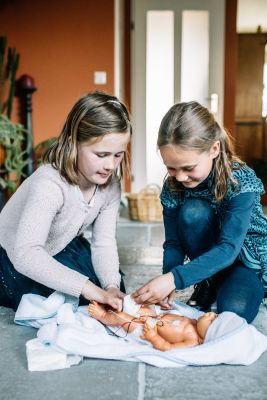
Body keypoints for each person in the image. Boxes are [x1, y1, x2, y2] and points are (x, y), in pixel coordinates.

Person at [132, 101, 267, 323]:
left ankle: (236, 284)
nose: (180, 177)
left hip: (244, 259)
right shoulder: (173, 186)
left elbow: (229, 248)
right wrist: (169, 278)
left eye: (188, 168)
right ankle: (208, 281)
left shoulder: (240, 181)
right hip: (209, 257)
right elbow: (174, 244)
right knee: (193, 210)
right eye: (171, 168)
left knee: (234, 312)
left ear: (214, 149)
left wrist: (175, 279)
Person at [0, 91, 132, 311]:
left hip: (61, 244)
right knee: (69, 300)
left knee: (113, 292)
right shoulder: (50, 183)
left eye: (117, 155)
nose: (110, 165)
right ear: (73, 144)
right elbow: (27, 254)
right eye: (101, 155)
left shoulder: (111, 184)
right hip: (13, 257)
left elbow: (104, 242)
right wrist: (89, 289)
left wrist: (109, 286)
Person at [88, 300, 218, 351]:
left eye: (212, 320)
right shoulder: (194, 322)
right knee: (135, 306)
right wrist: (153, 315)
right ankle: (112, 305)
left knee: (123, 318)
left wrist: (153, 336)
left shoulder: (192, 342)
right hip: (154, 319)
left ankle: (103, 316)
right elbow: (173, 317)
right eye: (215, 315)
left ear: (209, 336)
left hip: (146, 332)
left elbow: (168, 347)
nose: (211, 314)